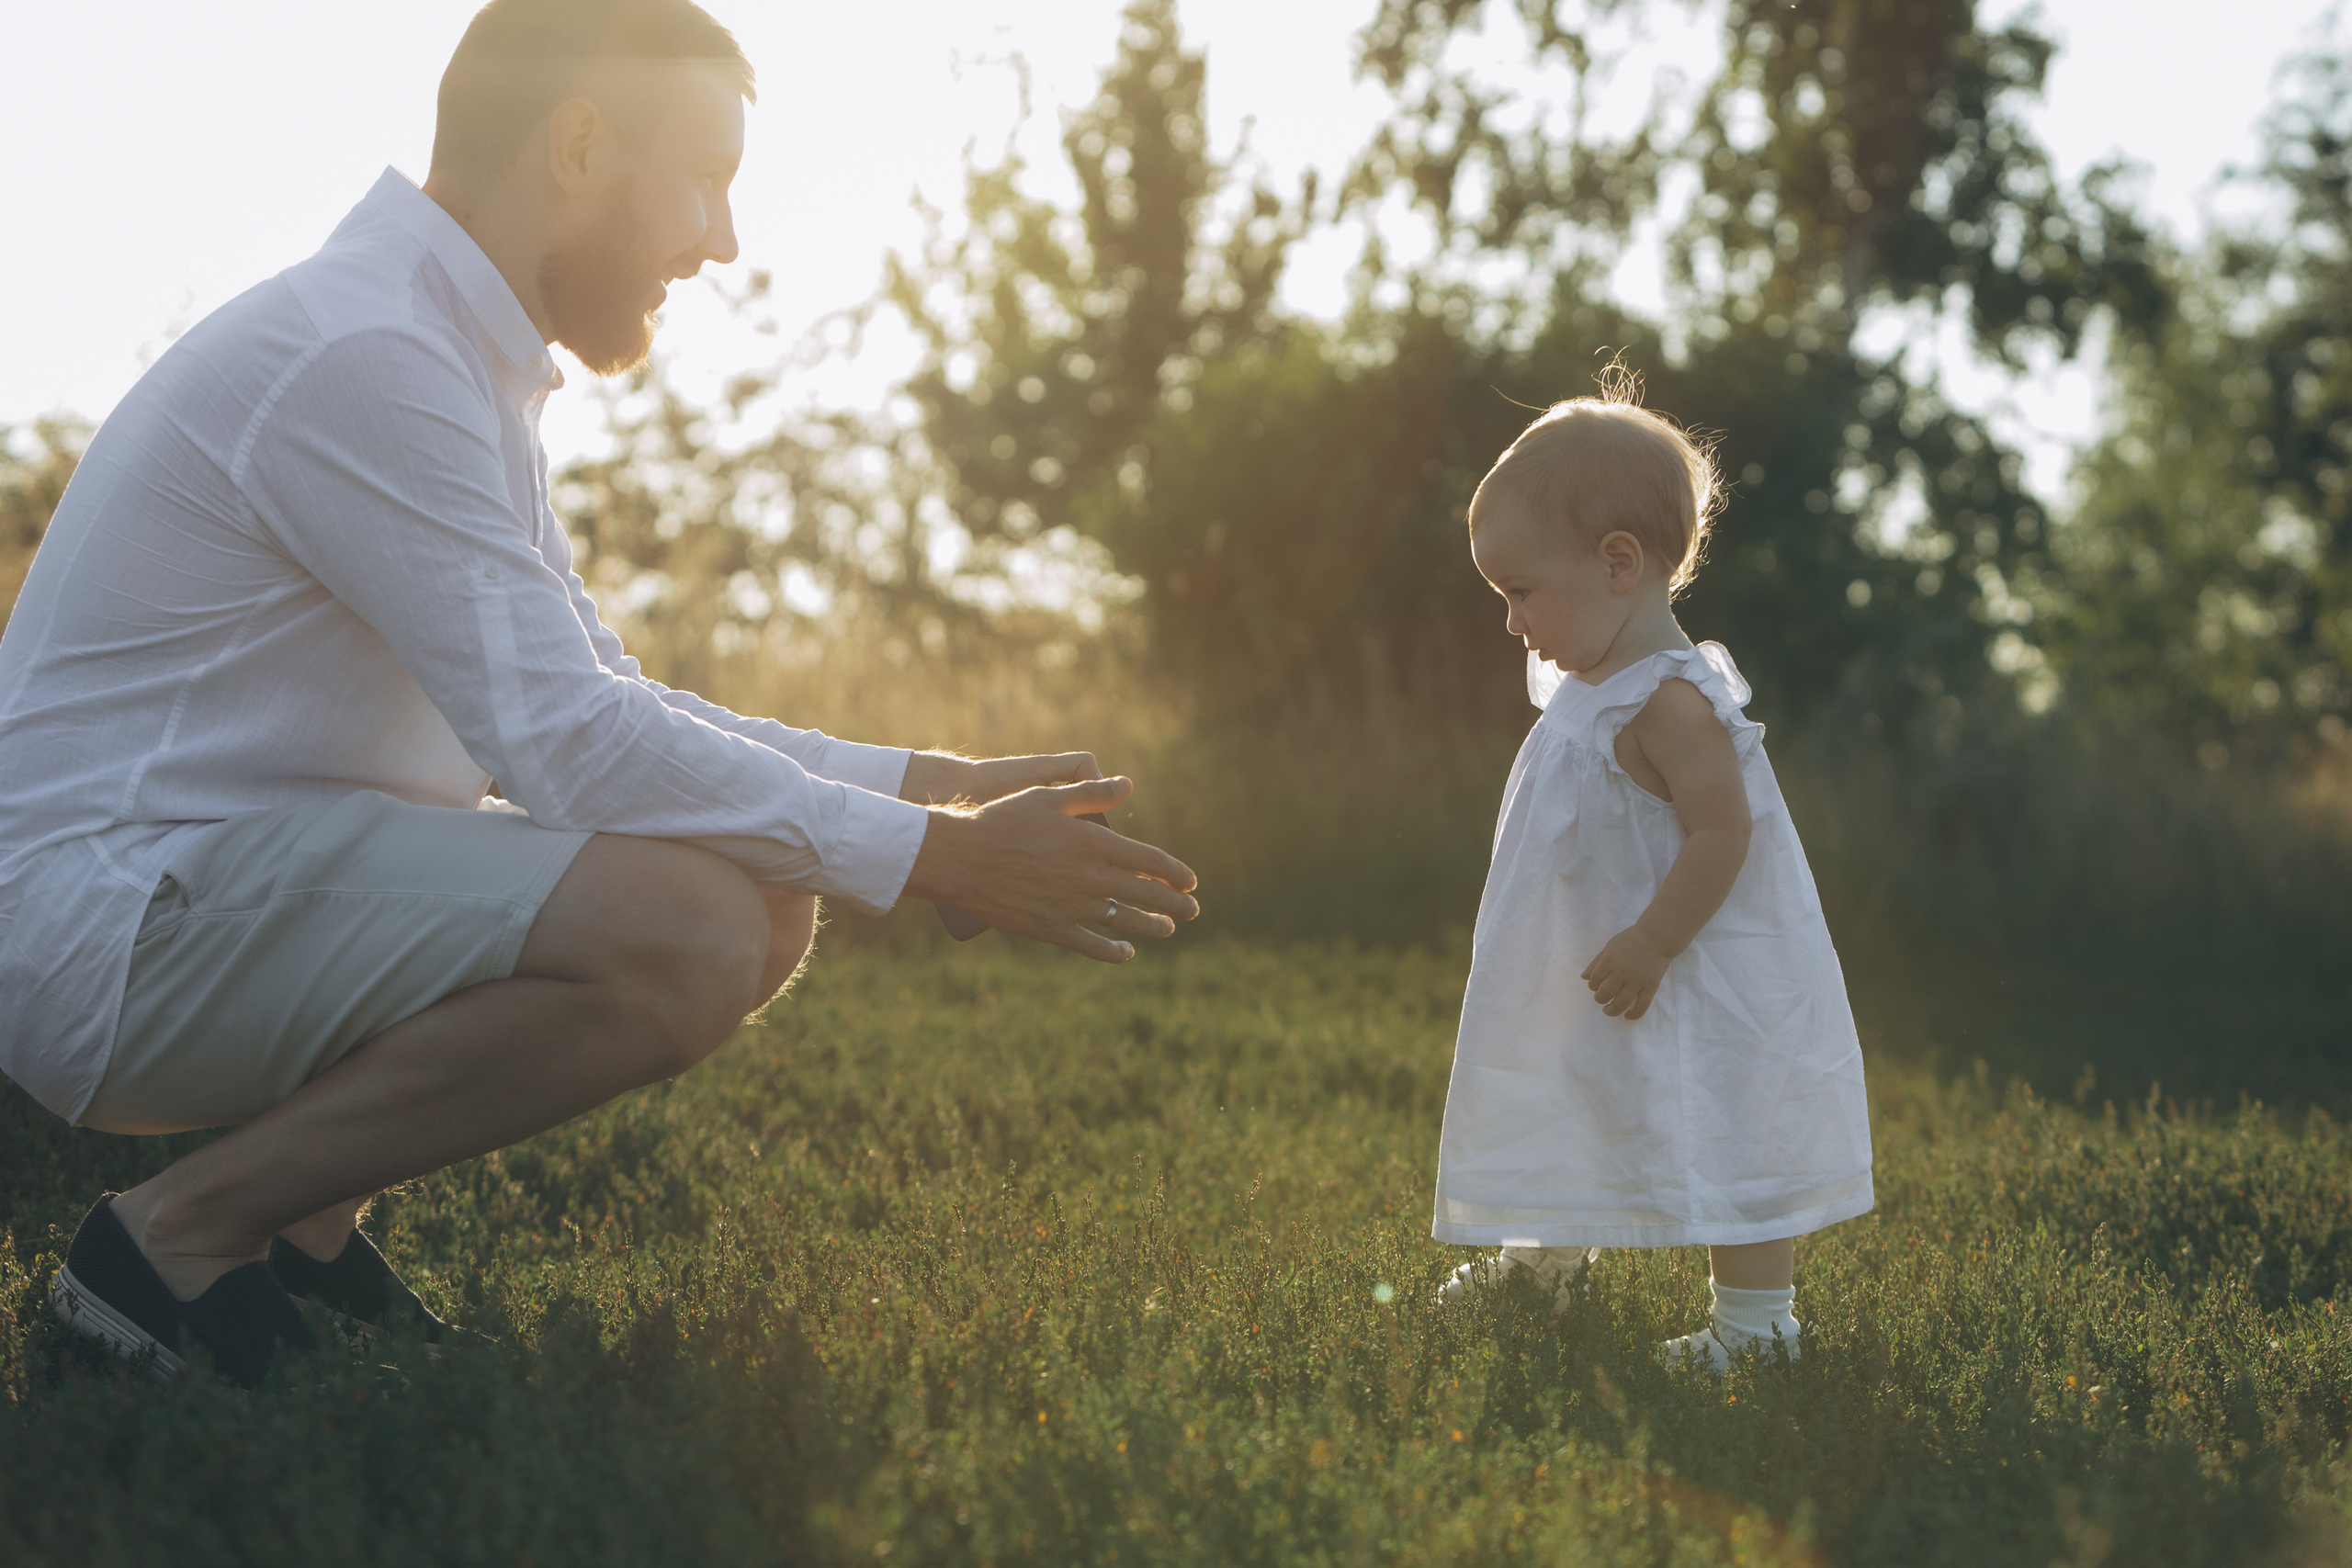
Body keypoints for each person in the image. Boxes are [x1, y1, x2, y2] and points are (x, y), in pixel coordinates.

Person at [1, 0, 1196, 1389]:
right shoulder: (368, 355)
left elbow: (597, 697)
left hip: (212, 886)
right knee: (690, 923)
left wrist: (917, 785)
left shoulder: (446, 355)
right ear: (577, 145)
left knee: (754, 897)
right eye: (704, 178)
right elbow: (572, 750)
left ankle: (304, 1230)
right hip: (110, 928)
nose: (723, 239)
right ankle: (168, 1251)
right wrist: (936, 856)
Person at [1427, 370, 1872, 1370]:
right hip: (1594, 962)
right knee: (1564, 1082)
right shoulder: (1583, 686)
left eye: (1520, 592)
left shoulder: (1674, 703)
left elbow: (1723, 834)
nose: (1511, 624)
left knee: (1739, 1114)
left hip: (1697, 967)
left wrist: (1654, 939)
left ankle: (1758, 1329)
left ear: (1618, 563)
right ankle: (1542, 1257)